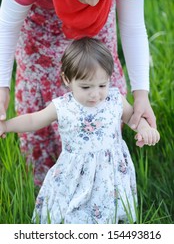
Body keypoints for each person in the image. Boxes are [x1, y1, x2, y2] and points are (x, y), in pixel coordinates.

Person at [0, 0, 156, 185]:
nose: (93, 0)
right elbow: (6, 27)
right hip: (40, 24)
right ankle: (45, 179)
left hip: (97, 24)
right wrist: (1, 87)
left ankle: (98, 172)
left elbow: (133, 27)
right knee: (39, 88)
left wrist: (141, 94)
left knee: (95, 75)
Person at [0, 37, 160, 224]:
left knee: (110, 211)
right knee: (72, 214)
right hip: (75, 173)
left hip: (111, 173)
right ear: (67, 79)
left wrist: (145, 128)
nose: (95, 94)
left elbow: (133, 117)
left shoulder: (115, 99)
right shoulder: (63, 106)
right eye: (85, 87)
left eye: (102, 85)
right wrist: (5, 125)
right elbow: (33, 119)